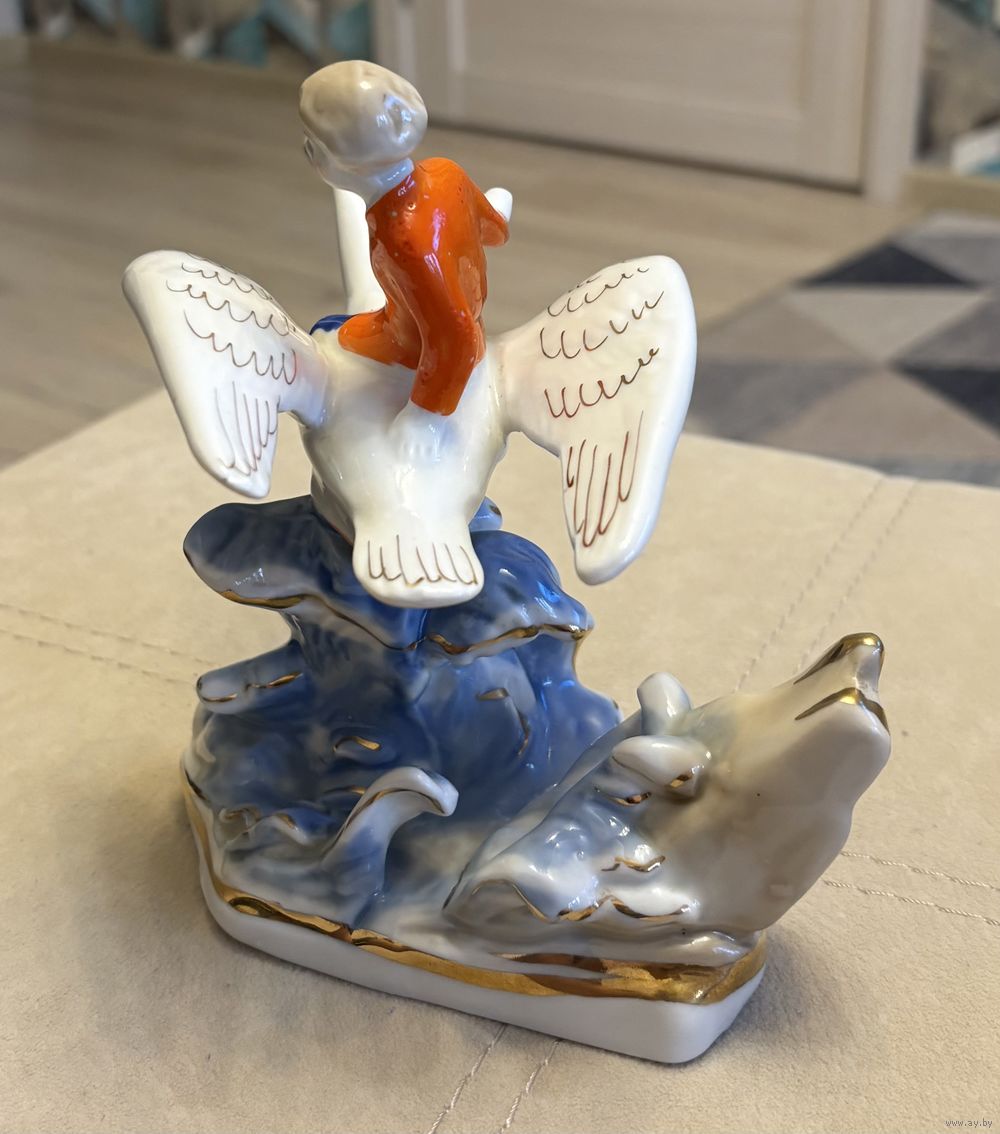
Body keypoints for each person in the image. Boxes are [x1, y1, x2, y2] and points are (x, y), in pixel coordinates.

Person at [299, 60, 510, 417]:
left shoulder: (402, 240)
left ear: (335, 161)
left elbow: (455, 337)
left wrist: (423, 416)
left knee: (320, 337)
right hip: (451, 320)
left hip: (413, 349)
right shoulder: (446, 171)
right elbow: (494, 231)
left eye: (311, 145)